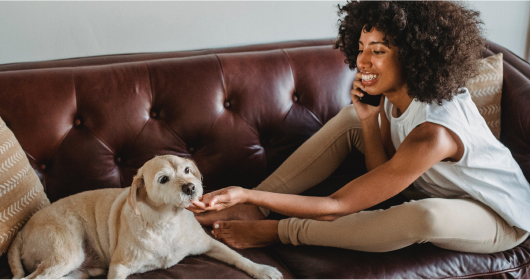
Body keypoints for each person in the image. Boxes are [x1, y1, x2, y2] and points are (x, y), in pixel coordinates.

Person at [188, 1, 530, 253]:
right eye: (361, 48)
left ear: (413, 55)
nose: (362, 62)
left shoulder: (434, 133)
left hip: (496, 216)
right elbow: (383, 177)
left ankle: (277, 228)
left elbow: (339, 204)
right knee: (352, 116)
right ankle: (253, 209)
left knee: (426, 217)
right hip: (429, 186)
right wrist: (369, 122)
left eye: (378, 51)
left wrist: (246, 191)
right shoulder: (394, 97)